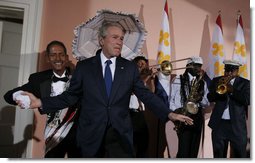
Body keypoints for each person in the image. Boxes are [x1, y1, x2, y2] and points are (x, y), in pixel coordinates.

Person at [16, 21, 193, 158]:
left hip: (120, 137)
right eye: (114, 37)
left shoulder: (129, 68)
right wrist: (40, 102)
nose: (119, 42)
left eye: (121, 38)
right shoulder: (84, 67)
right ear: (101, 40)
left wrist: (169, 114)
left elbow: (145, 94)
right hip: (90, 136)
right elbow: (69, 97)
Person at [4, 40, 80, 158]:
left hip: (78, 136)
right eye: (53, 55)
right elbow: (9, 95)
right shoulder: (39, 79)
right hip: (53, 136)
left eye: (61, 54)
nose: (57, 58)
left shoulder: (78, 77)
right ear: (47, 58)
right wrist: (19, 96)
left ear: (66, 57)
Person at [207, 59, 250, 158]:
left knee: (239, 155)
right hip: (219, 124)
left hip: (237, 125)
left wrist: (232, 90)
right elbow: (210, 97)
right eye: (227, 70)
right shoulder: (217, 80)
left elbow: (247, 100)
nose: (229, 73)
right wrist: (218, 90)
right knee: (219, 155)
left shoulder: (245, 83)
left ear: (237, 71)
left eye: (232, 71)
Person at [169, 56, 210, 158]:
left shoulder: (202, 82)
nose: (199, 69)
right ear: (188, 66)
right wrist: (177, 114)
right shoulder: (178, 79)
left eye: (200, 66)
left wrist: (200, 99)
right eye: (196, 66)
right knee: (184, 150)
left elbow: (207, 102)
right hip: (183, 115)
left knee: (194, 150)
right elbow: (172, 100)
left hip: (197, 117)